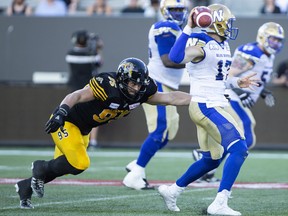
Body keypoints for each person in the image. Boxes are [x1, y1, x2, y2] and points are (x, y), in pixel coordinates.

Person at [14, 57, 192, 209]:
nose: (136, 88)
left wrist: (199, 99)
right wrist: (61, 112)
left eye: (139, 84)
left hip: (83, 129)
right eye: (132, 83)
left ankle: (25, 187)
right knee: (79, 163)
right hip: (66, 122)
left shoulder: (143, 92)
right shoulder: (107, 84)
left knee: (63, 166)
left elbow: (171, 97)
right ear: (122, 79)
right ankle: (40, 166)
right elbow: (77, 95)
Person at [157, 4, 259, 215]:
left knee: (211, 159)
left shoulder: (222, 44)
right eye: (228, 22)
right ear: (218, 22)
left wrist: (238, 81)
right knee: (239, 148)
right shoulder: (202, 41)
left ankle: (173, 190)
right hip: (206, 105)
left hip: (212, 102)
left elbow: (218, 79)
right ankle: (220, 203)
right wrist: (188, 28)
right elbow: (175, 58)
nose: (230, 26)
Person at [193, 22, 285, 182]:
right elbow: (228, 74)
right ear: (263, 37)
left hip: (236, 96)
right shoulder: (252, 52)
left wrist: (261, 91)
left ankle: (208, 164)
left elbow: (254, 76)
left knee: (247, 135)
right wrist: (239, 90)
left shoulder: (267, 55)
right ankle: (207, 161)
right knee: (245, 131)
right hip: (230, 95)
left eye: (279, 40)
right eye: (273, 39)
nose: (276, 43)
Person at [122, 0, 188, 190]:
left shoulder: (176, 28)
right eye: (174, 9)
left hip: (167, 84)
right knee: (161, 129)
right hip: (157, 82)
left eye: (180, 9)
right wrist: (194, 61)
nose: (177, 13)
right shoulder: (166, 26)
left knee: (169, 131)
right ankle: (136, 173)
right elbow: (168, 60)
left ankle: (136, 164)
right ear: (164, 11)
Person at [65, 30, 104, 148]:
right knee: (93, 115)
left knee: (75, 115)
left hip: (75, 89)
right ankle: (93, 141)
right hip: (90, 89)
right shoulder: (91, 55)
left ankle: (75, 140)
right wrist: (97, 49)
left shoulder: (70, 54)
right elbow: (99, 63)